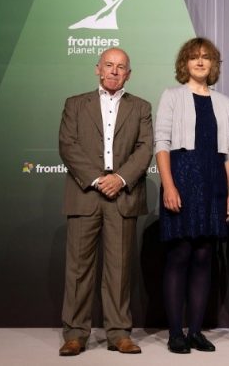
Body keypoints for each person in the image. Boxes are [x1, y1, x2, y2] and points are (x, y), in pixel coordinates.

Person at [58, 47, 153, 356]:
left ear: (128, 74)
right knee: (78, 269)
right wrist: (99, 179)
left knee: (119, 269)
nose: (114, 71)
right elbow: (67, 145)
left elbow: (144, 148)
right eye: (109, 65)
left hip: (122, 196)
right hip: (86, 193)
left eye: (121, 66)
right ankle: (75, 334)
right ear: (97, 68)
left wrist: (120, 178)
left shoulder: (140, 107)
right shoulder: (75, 104)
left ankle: (119, 332)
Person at [154, 37, 229, 354]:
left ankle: (196, 332)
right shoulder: (172, 96)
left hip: (214, 179)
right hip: (182, 176)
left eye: (206, 57)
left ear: (214, 64)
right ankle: (176, 332)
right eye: (194, 57)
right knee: (180, 254)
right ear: (185, 64)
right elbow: (161, 143)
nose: (200, 62)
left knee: (205, 255)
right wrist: (170, 185)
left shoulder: (224, 102)